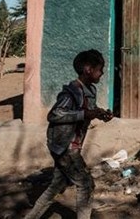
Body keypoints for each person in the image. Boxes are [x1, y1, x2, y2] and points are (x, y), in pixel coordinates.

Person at [24, 49, 114, 219]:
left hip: (70, 146)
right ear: (88, 69)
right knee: (86, 184)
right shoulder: (71, 92)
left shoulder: (89, 90)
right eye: (100, 69)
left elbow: (87, 111)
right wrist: (84, 114)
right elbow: (55, 114)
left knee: (56, 186)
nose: (102, 73)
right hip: (65, 147)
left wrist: (100, 114)